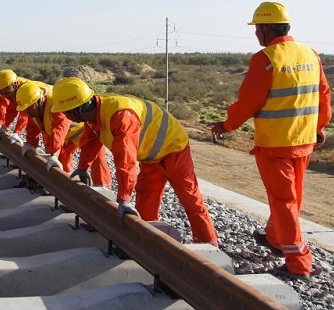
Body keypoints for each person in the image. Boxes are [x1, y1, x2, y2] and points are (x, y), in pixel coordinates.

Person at [209, 1, 331, 278]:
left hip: (277, 145)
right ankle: (276, 237)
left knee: (283, 201)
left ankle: (298, 261)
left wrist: (227, 124)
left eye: (256, 29)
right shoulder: (310, 54)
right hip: (304, 140)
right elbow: (324, 93)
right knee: (291, 197)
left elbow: (249, 102)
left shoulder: (266, 59)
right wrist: (320, 126)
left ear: (266, 29)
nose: (255, 35)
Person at [51, 77, 218, 247]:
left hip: (174, 148)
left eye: (65, 112)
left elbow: (126, 160)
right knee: (146, 195)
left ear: (77, 110)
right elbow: (91, 142)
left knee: (189, 198)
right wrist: (82, 168)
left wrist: (123, 199)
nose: (65, 116)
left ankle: (209, 245)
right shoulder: (95, 114)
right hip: (151, 156)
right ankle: (147, 238)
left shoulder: (121, 115)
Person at [15, 81, 111, 189]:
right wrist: (30, 144)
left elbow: (59, 129)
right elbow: (33, 127)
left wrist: (54, 154)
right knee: (62, 160)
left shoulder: (55, 105)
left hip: (80, 132)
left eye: (29, 108)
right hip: (65, 138)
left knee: (96, 156)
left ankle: (103, 188)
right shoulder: (34, 111)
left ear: (39, 101)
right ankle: (64, 185)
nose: (27, 112)